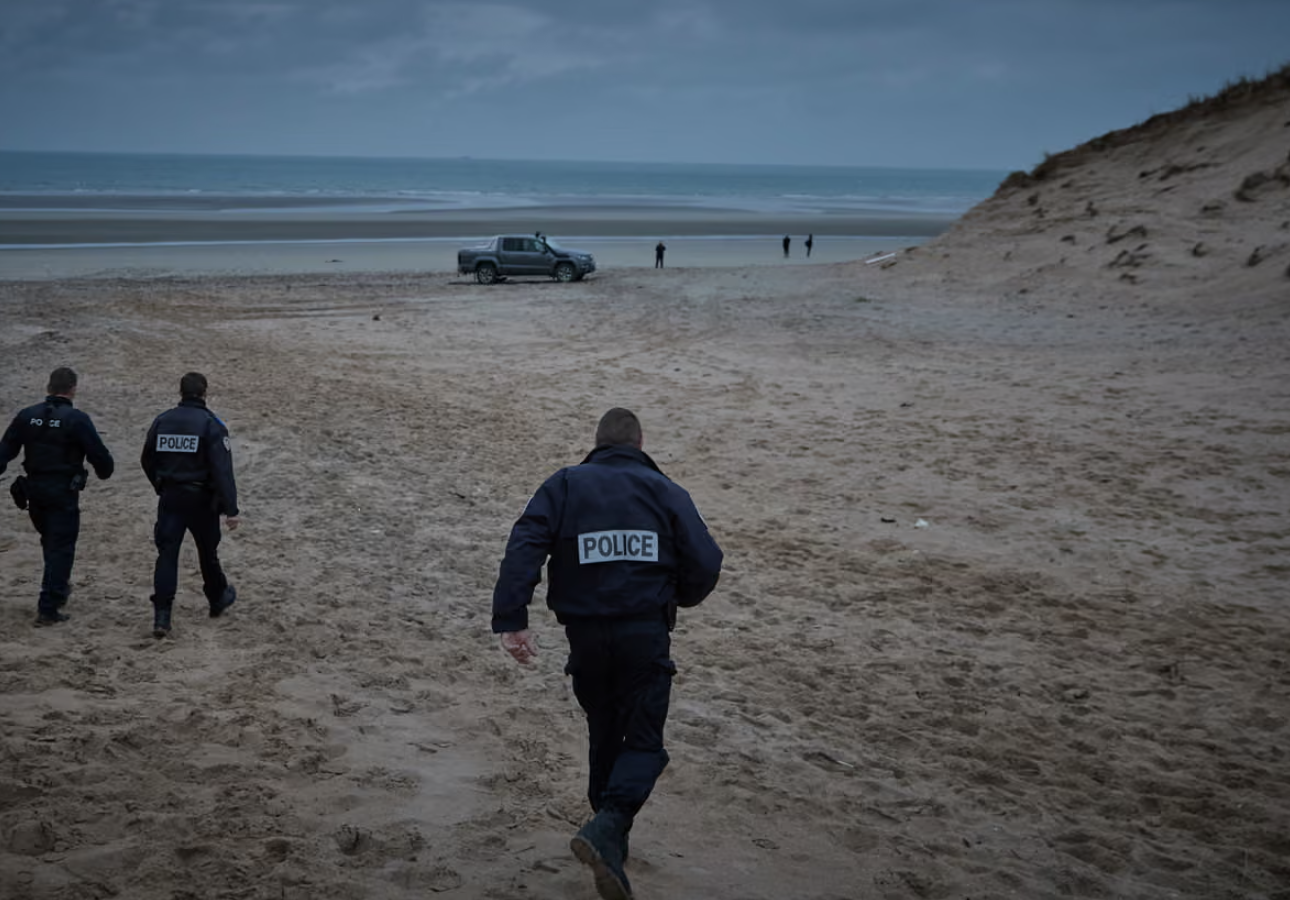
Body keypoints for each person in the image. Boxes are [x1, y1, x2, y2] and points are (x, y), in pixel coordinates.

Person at [492, 408, 723, 900]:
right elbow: (706, 561)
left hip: (587, 636)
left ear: (597, 443)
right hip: (644, 633)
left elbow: (525, 543)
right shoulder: (665, 491)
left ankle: (608, 839)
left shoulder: (564, 484)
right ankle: (610, 823)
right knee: (643, 742)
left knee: (604, 730)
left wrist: (512, 618)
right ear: (640, 442)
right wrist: (677, 596)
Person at [1, 367, 115, 626]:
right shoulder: (76, 419)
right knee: (61, 547)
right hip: (62, 491)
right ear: (72, 389)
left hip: (34, 490)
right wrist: (103, 471)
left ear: (49, 387)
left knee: (50, 541)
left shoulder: (27, 415)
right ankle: (49, 606)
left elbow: (5, 450)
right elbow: (100, 457)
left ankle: (59, 589)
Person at [140, 372, 240, 638]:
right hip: (201, 499)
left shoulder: (163, 420)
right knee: (207, 553)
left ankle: (162, 616)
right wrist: (231, 509)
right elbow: (222, 470)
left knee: (167, 555)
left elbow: (147, 458)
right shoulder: (211, 423)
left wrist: (160, 484)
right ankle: (217, 598)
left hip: (170, 497)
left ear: (180, 392)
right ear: (204, 392)